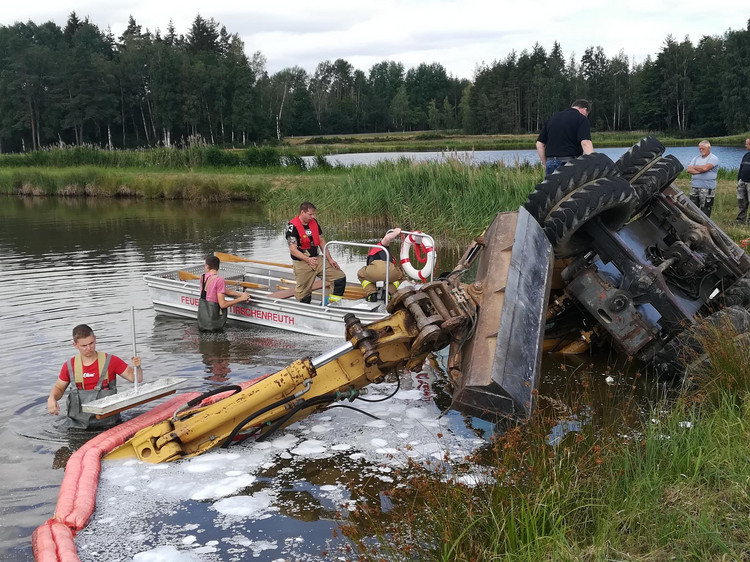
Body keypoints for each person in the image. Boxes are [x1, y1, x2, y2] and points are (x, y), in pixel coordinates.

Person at [47, 324, 143, 430]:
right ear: (75, 345)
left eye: (91, 343)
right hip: (77, 426)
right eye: (84, 346)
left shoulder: (111, 361)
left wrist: (137, 367)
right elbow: (59, 388)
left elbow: (136, 379)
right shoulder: (70, 365)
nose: (89, 348)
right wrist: (52, 398)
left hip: (108, 425)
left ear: (95, 339)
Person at [286, 201, 346, 304]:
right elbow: (293, 250)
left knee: (339, 277)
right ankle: (305, 312)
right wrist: (307, 259)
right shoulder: (292, 227)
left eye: (313, 214)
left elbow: (322, 241)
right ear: (302, 212)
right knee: (304, 293)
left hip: (317, 259)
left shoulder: (314, 222)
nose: (312, 216)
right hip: (302, 263)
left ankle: (332, 304)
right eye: (310, 214)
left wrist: (330, 259)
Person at [536, 99, 594, 176]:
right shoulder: (582, 119)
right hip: (569, 163)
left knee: (551, 188)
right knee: (571, 188)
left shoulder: (553, 118)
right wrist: (593, 162)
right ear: (585, 109)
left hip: (550, 162)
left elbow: (539, 144)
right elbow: (585, 143)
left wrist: (546, 163)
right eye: (587, 114)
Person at [198, 255, 250, 331]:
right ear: (218, 266)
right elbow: (223, 305)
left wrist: (240, 294)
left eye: (205, 265)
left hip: (203, 321)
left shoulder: (203, 277)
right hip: (213, 322)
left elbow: (220, 290)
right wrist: (241, 299)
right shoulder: (219, 280)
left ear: (208, 266)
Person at [358, 228, 405, 302]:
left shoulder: (371, 254)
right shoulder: (382, 246)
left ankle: (371, 293)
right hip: (388, 271)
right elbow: (387, 238)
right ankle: (388, 292)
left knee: (361, 275)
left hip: (372, 272)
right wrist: (396, 232)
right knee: (401, 276)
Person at [687, 140, 720, 217]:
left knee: (705, 208)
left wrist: (695, 168)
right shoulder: (696, 158)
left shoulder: (713, 158)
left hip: (707, 188)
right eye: (700, 149)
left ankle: (705, 225)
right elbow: (689, 169)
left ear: (709, 148)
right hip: (694, 187)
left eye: (703, 148)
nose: (701, 150)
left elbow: (705, 168)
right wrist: (701, 170)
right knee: (692, 208)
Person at [735, 138, 750, 224]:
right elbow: (741, 167)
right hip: (742, 182)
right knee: (741, 202)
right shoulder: (746, 155)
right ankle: (740, 220)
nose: (745, 146)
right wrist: (739, 178)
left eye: (746, 144)